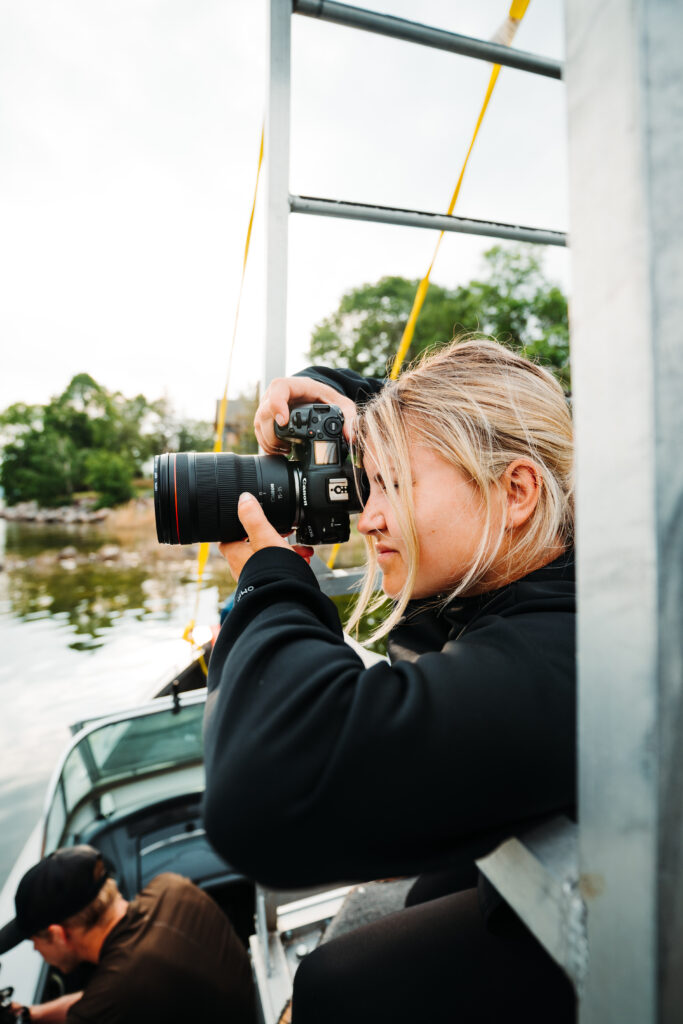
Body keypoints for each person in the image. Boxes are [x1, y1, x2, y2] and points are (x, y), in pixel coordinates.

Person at [202, 338, 576, 1022]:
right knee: (417, 894)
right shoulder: (549, 550)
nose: (367, 517)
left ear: (515, 491)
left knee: (333, 984)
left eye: (392, 486)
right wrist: (319, 389)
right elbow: (461, 414)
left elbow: (266, 795)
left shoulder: (567, 650)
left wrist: (273, 582)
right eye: (369, 483)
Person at [0, 845, 255, 1024]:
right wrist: (31, 1014)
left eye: (33, 940)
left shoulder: (113, 997)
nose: (35, 950)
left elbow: (107, 1000)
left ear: (58, 934)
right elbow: (104, 997)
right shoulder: (171, 887)